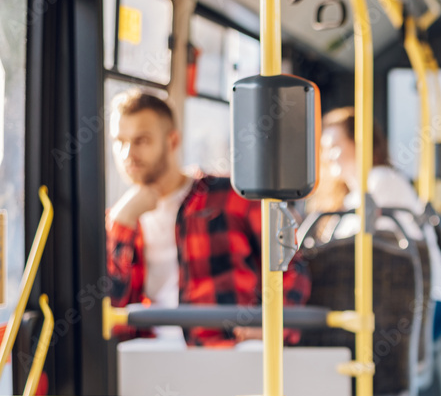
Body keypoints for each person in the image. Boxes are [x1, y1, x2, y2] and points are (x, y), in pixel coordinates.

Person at [318, 107, 441, 396]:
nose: (329, 157)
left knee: (368, 356)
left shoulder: (380, 182)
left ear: (359, 145)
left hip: (425, 306)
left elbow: (373, 254)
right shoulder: (355, 196)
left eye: (335, 147)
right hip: (398, 307)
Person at [106, 90, 311, 346]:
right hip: (150, 351)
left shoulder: (231, 195)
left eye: (142, 141)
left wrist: (273, 328)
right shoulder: (122, 218)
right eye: (120, 142)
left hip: (226, 347)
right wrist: (121, 223)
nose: (128, 154)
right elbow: (109, 304)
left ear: (172, 141)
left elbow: (291, 266)